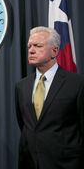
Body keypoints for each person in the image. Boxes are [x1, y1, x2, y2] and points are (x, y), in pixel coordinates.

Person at [15, 26, 84, 169]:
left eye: (38, 46)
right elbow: (25, 125)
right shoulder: (21, 86)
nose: (31, 50)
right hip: (29, 163)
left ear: (55, 51)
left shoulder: (77, 84)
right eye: (29, 46)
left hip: (66, 164)